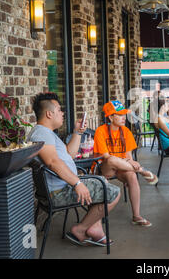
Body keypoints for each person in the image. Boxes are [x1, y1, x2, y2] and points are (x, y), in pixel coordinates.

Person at [28, 92, 120, 247]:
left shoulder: (47, 133)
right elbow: (53, 162)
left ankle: (95, 228)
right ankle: (80, 229)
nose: (63, 113)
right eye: (59, 110)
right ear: (49, 114)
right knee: (114, 193)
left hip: (61, 187)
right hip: (58, 192)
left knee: (101, 182)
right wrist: (78, 183)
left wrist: (78, 133)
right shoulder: (41, 133)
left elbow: (69, 154)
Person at [94, 100, 158, 227]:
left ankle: (136, 216)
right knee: (112, 160)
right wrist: (133, 165)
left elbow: (128, 156)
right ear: (111, 117)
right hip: (105, 169)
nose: (124, 118)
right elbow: (106, 157)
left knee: (132, 176)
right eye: (120, 115)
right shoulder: (101, 131)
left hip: (122, 167)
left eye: (124, 114)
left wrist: (129, 162)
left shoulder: (126, 132)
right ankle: (142, 171)